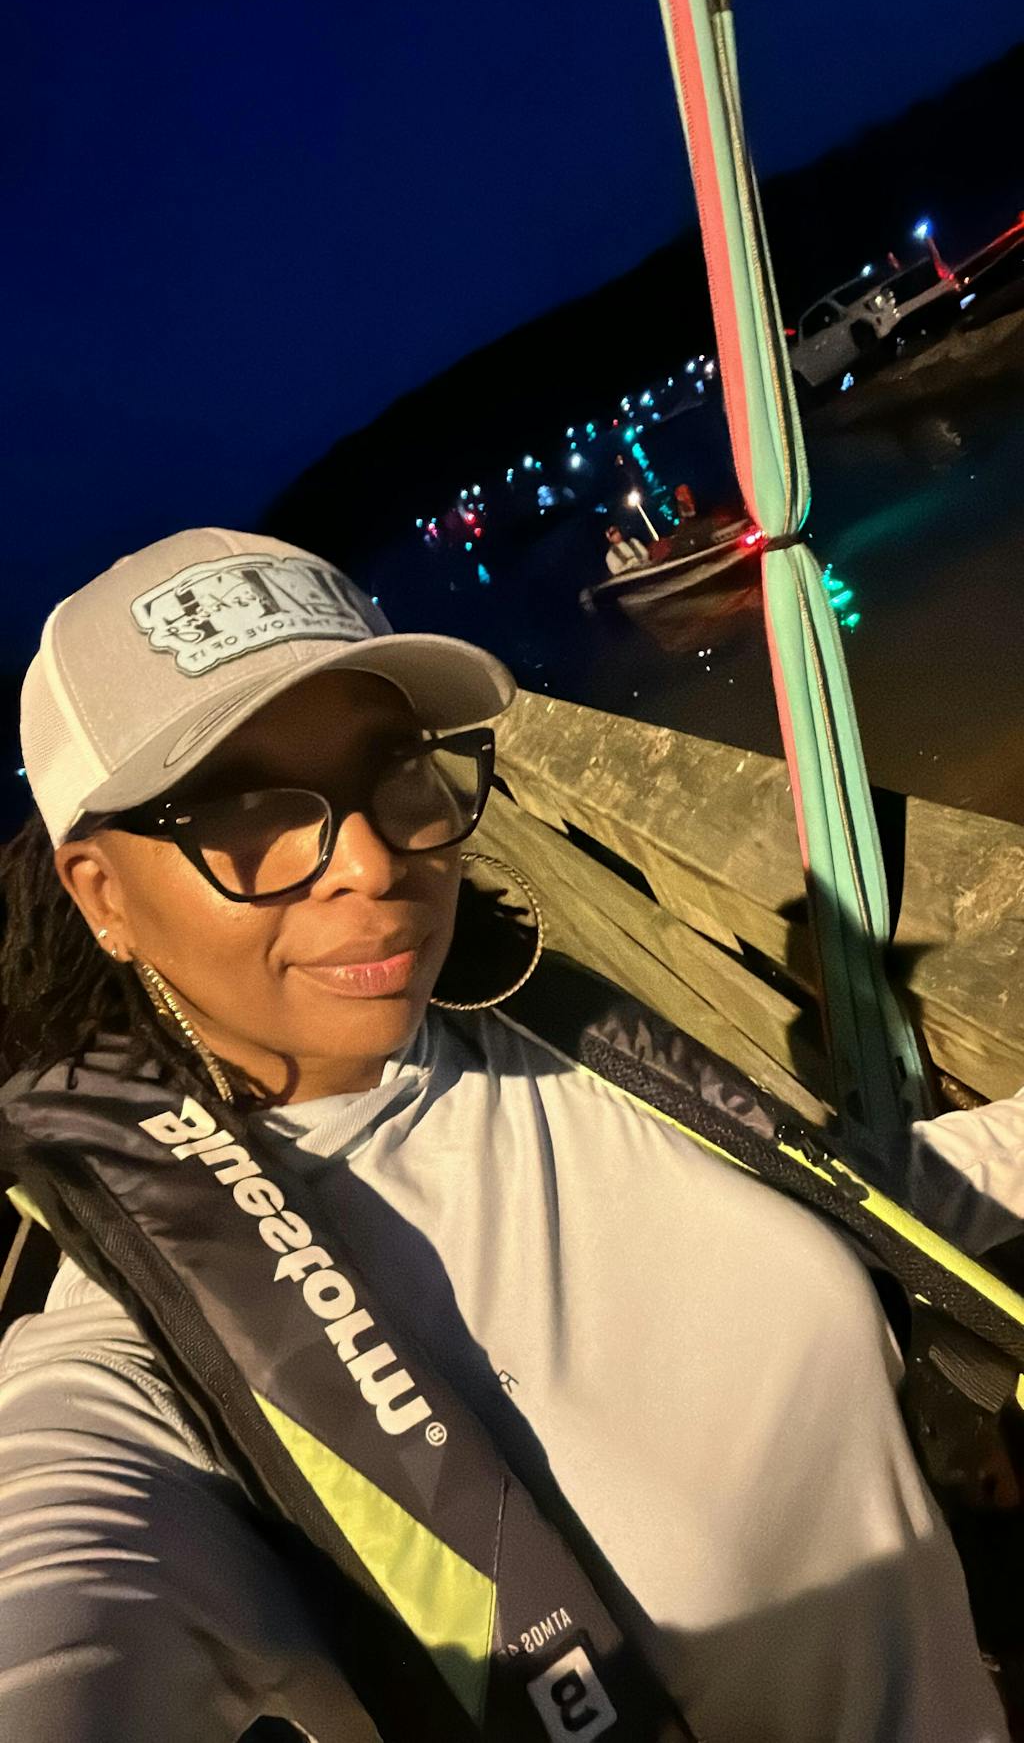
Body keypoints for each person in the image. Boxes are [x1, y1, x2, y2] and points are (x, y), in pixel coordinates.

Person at [0, 525, 1011, 1743]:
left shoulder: (555, 1042)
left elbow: (861, 1202)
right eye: (245, 811)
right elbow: (66, 1606)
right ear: (103, 894)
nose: (369, 861)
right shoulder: (151, 1351)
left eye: (394, 771)